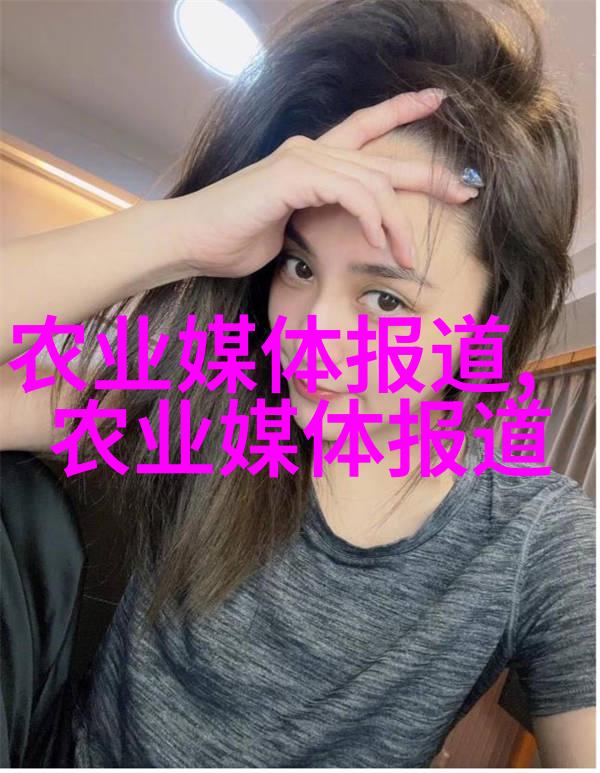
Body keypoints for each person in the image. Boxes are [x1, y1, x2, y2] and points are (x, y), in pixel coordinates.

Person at [0, 0, 595, 766]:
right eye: (300, 265)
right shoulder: (209, 405)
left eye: (386, 300)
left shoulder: (532, 537)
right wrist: (181, 230)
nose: (312, 337)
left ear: (489, 321)